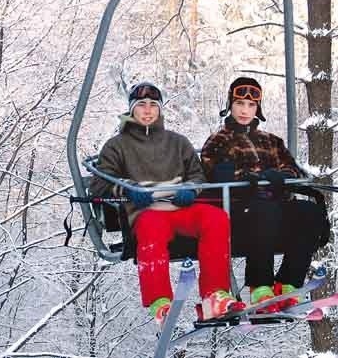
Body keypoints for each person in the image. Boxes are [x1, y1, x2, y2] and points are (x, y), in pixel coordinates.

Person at [90, 82, 244, 325]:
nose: (148, 110)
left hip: (181, 208)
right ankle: (160, 301)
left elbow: (197, 175)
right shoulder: (117, 146)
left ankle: (214, 295)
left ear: (160, 110)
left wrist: (190, 190)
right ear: (132, 110)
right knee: (152, 226)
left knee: (215, 218)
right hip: (147, 211)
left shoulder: (177, 142)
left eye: (153, 105)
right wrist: (129, 190)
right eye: (141, 105)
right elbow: (100, 184)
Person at [201, 77, 329, 311]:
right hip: (240, 210)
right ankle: (260, 286)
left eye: (251, 105)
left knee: (309, 211)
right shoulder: (219, 140)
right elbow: (212, 172)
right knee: (264, 210)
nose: (244, 110)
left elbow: (293, 170)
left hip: (275, 206)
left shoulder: (271, 141)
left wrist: (280, 177)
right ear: (230, 104)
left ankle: (288, 283)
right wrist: (245, 178)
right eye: (240, 103)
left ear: (258, 108)